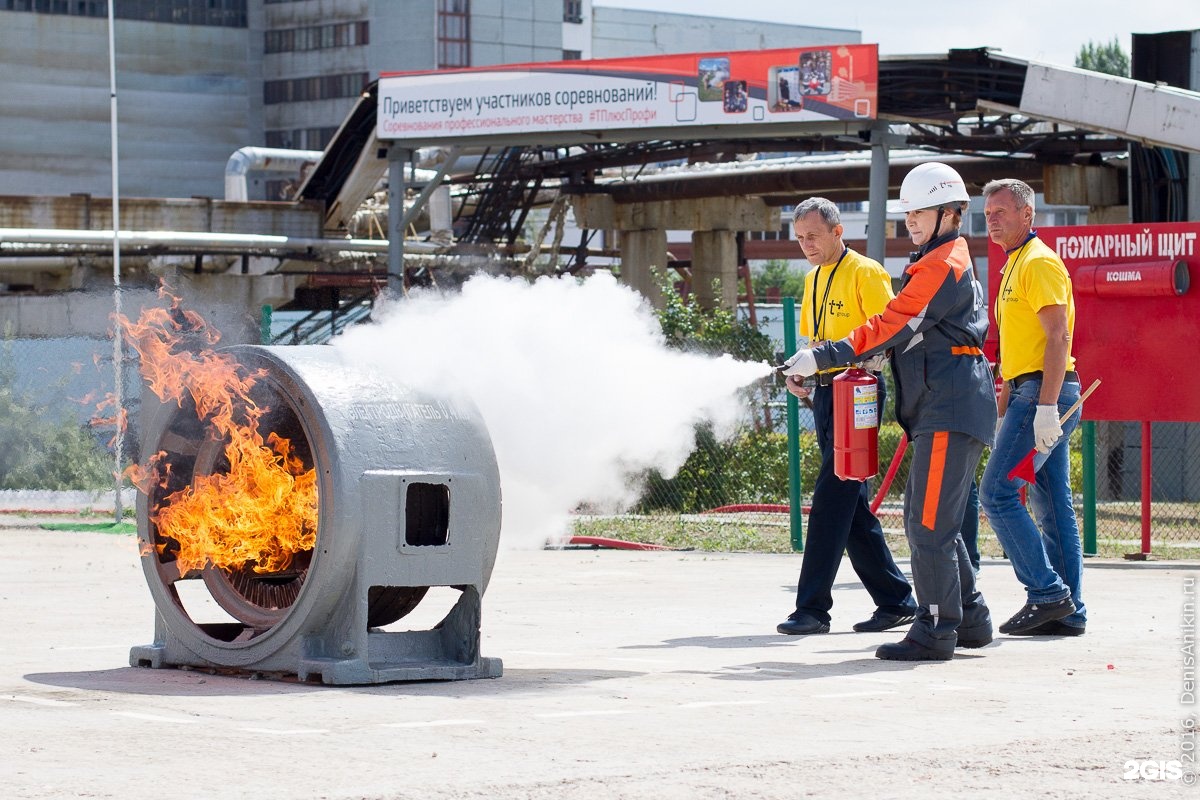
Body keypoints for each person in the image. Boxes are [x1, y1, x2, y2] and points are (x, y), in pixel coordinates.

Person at [781, 162, 996, 661]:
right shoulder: (937, 260)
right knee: (933, 520)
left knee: (926, 526)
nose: (911, 223)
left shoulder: (941, 264)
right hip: (943, 404)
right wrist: (826, 358)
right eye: (908, 215)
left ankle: (936, 628)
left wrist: (829, 353)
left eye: (919, 213)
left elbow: (895, 321)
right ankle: (971, 615)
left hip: (950, 405)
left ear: (949, 213)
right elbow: (907, 335)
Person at [775, 197, 918, 638]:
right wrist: (799, 375)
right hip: (826, 394)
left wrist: (824, 366)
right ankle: (896, 600)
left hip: (858, 392)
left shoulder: (867, 272)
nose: (806, 245)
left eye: (813, 236)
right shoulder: (813, 277)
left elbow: (888, 332)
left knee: (831, 501)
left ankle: (812, 608)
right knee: (851, 507)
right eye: (800, 238)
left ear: (839, 232)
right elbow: (815, 340)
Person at [978, 178, 1086, 637]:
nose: (993, 219)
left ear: (1028, 215)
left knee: (997, 493)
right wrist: (1005, 400)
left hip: (1044, 393)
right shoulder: (1015, 264)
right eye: (987, 214)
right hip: (1031, 391)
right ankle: (1069, 610)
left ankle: (1047, 594)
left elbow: (1058, 336)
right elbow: (1020, 345)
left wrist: (1043, 408)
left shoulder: (1037, 263)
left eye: (1002, 211)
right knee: (1051, 501)